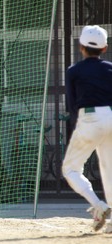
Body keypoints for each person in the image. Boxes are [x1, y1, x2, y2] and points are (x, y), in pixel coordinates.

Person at [62, 25, 112, 233]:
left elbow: (71, 104)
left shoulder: (74, 71)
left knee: (70, 169)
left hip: (89, 117)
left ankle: (99, 206)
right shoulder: (110, 68)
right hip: (111, 116)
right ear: (105, 48)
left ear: (81, 46)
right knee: (110, 170)